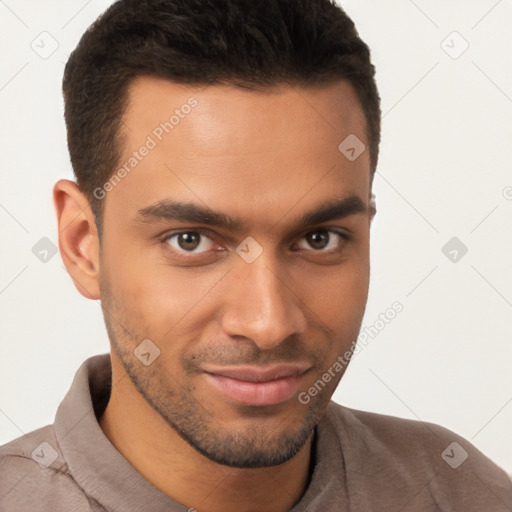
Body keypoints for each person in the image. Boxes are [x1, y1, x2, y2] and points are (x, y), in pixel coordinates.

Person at [1, 0, 511, 510]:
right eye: (191, 241)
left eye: (319, 239)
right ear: (82, 245)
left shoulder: (461, 492)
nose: (269, 323)